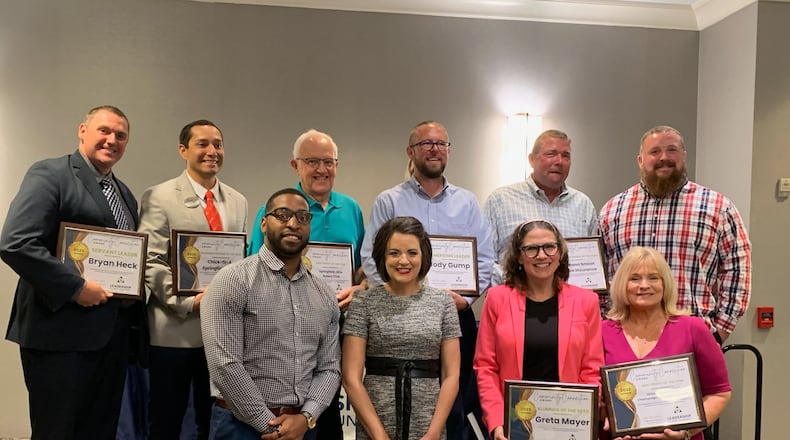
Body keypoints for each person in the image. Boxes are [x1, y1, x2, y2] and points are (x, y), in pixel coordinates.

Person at [0, 105, 144, 439]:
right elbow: (16, 242)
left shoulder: (125, 195)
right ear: (82, 130)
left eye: (120, 136)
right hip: (60, 335)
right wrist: (75, 287)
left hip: (112, 338)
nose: (112, 140)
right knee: (57, 431)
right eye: (104, 131)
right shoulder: (50, 174)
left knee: (100, 430)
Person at [360, 120, 494, 439]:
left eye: (441, 144)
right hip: (396, 314)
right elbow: (371, 257)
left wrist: (466, 299)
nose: (435, 149)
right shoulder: (388, 200)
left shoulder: (468, 202)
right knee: (391, 395)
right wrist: (403, 295)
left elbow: (486, 258)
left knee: (455, 400)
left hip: (455, 313)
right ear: (410, 151)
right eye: (426, 143)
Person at [248, 129, 365, 438]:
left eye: (328, 161)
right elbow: (256, 268)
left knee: (327, 407)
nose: (321, 169)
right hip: (283, 330)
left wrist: (360, 287)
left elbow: (363, 267)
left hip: (334, 323)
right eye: (312, 161)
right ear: (294, 165)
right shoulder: (275, 212)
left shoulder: (351, 209)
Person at [137, 119, 248, 439]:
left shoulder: (237, 201)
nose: (212, 151)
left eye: (218, 144)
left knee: (213, 420)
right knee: (165, 420)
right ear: (183, 150)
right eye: (202, 144)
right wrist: (188, 301)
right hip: (173, 332)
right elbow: (152, 261)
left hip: (221, 336)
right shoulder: (158, 196)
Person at [201, 188, 340, 440]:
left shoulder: (325, 293)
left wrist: (306, 418)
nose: (293, 223)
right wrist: (271, 426)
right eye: (283, 215)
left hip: (302, 429)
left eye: (302, 217)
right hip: (240, 426)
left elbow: (330, 369)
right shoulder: (232, 280)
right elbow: (224, 365)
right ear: (264, 223)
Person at [599, 125, 751, 343]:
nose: (664, 157)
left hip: (693, 337)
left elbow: (738, 269)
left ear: (683, 156)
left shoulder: (717, 207)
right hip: (625, 338)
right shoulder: (613, 210)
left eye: (672, 150)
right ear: (640, 160)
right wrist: (605, 324)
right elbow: (600, 276)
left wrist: (720, 331)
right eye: (654, 152)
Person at [474, 220, 604, 440]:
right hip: (513, 425)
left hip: (568, 425)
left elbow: (592, 370)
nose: (542, 255)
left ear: (560, 252)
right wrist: (497, 422)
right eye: (531, 249)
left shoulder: (586, 301)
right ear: (519, 256)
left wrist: (583, 420)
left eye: (549, 247)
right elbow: (486, 367)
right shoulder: (497, 298)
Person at [343, 216, 461, 439]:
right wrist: (379, 436)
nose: (403, 261)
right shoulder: (363, 302)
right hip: (375, 422)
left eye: (412, 253)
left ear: (424, 255)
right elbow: (351, 377)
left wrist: (434, 432)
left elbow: (451, 376)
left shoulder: (443, 303)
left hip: (428, 423)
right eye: (394, 253)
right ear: (382, 256)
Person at [602, 246, 731, 440]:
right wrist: (607, 416)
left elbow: (719, 393)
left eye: (653, 277)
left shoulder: (693, 328)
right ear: (622, 284)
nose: (644, 285)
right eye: (634, 278)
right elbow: (596, 395)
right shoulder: (601, 331)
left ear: (665, 284)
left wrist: (687, 432)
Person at [484, 129, 598, 265]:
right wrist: (517, 282)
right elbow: (486, 262)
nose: (559, 161)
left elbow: (593, 263)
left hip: (571, 285)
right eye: (551, 154)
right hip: (514, 285)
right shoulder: (500, 201)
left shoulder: (583, 205)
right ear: (531, 160)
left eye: (566, 156)